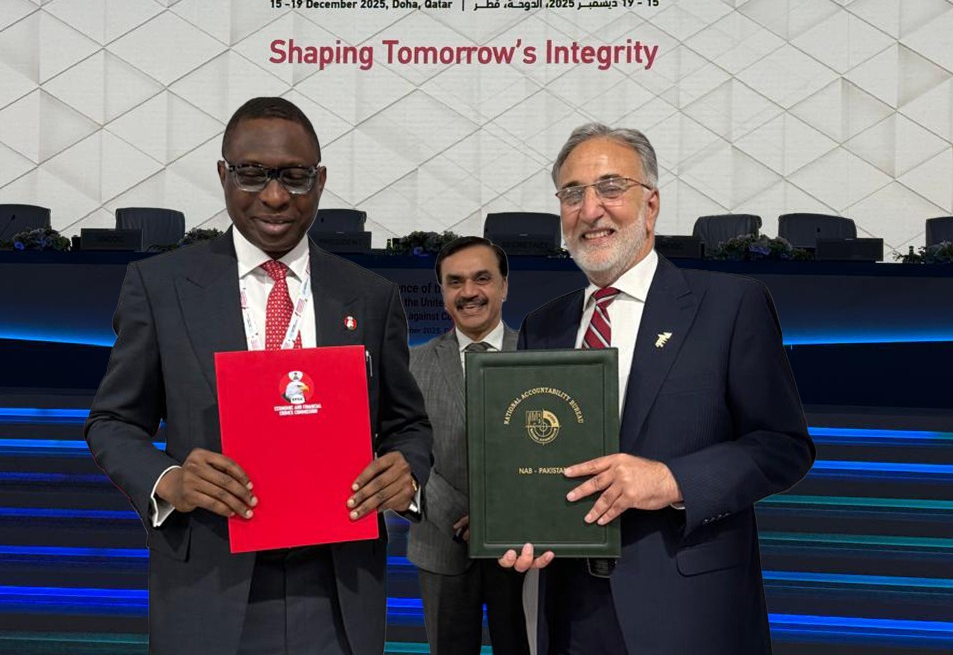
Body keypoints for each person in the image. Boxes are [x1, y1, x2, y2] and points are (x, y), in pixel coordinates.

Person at [85, 97, 432, 655]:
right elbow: (112, 422)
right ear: (224, 174)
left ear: (320, 181)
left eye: (295, 177)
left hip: (338, 591)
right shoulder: (160, 286)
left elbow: (408, 426)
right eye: (252, 174)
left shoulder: (370, 296)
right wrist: (168, 480)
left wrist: (407, 473)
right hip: (209, 585)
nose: (274, 197)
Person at [500, 123, 815, 654]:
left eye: (610, 187)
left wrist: (671, 480)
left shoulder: (730, 305)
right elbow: (535, 456)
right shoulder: (542, 325)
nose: (590, 209)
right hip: (569, 612)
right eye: (572, 194)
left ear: (651, 205)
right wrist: (517, 522)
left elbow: (784, 447)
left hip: (688, 613)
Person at [407, 236, 530, 655]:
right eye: (455, 282)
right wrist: (457, 514)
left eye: (482, 278)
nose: (469, 292)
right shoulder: (413, 365)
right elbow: (400, 450)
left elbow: (555, 453)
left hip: (523, 549)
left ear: (504, 286)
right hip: (441, 545)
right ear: (442, 292)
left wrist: (496, 519)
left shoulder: (538, 357)